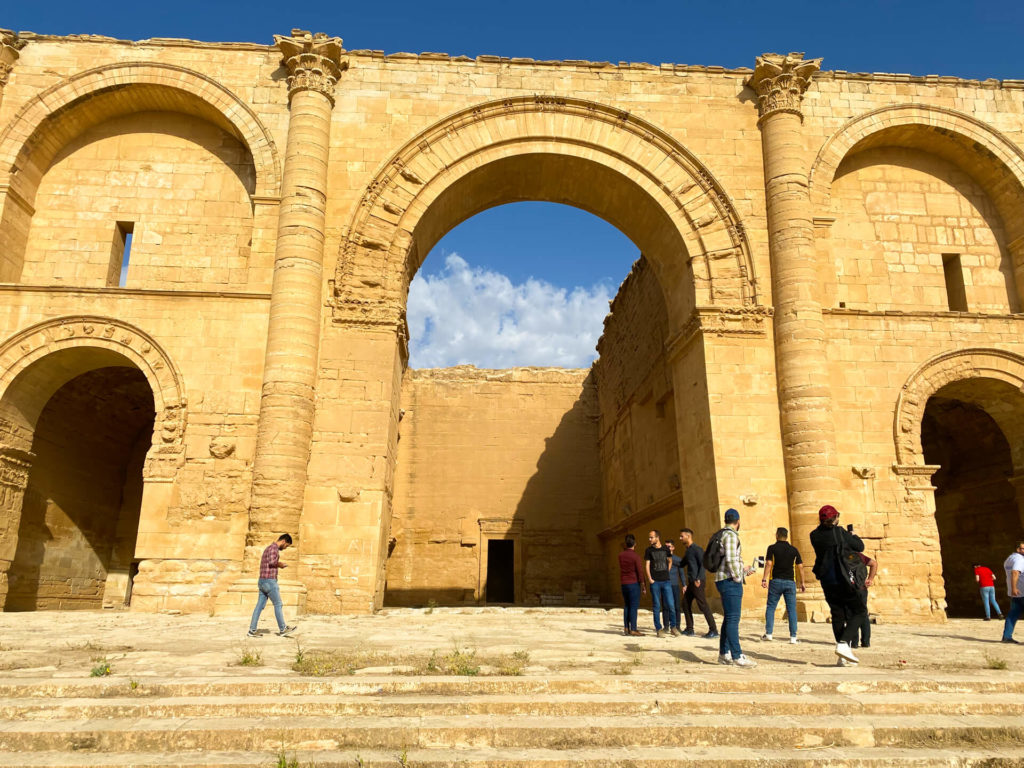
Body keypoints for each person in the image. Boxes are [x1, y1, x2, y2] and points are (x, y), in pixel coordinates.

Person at [810, 505, 866, 665]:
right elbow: (859, 547)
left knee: (838, 614)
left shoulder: (814, 535)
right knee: (860, 611)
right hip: (842, 579)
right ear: (835, 518)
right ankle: (843, 644)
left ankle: (843, 657)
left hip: (827, 581)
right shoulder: (840, 532)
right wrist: (852, 535)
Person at [715, 509, 757, 667]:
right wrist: (739, 577)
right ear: (738, 521)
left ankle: (723, 654)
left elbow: (729, 560)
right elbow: (732, 561)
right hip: (730, 581)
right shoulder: (731, 536)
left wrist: (744, 570)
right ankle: (737, 656)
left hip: (724, 579)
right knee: (733, 619)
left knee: (728, 618)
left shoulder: (722, 534)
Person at [760, 527, 805, 643]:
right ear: (787, 536)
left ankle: (769, 633)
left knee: (771, 607)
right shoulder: (794, 550)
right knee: (791, 610)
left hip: (776, 581)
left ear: (777, 535)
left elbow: (769, 564)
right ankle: (793, 637)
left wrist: (764, 579)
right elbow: (800, 567)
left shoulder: (772, 548)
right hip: (790, 582)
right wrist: (802, 582)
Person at [248, 533, 297, 638]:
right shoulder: (274, 548)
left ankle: (252, 630)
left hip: (262, 581)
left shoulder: (268, 548)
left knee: (259, 606)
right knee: (278, 604)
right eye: (287, 545)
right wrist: (281, 564)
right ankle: (283, 629)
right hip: (269, 581)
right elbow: (272, 562)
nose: (286, 548)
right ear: (283, 541)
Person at [678, 528, 718, 639]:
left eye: (682, 536)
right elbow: (681, 563)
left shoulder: (697, 549)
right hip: (691, 582)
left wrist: (698, 579)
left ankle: (713, 630)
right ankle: (689, 629)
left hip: (697, 581)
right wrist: (668, 557)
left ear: (688, 536)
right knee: (685, 604)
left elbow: (703, 564)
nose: (680, 538)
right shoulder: (688, 550)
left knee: (702, 605)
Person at [644, 530, 679, 637]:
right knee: (656, 605)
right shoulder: (648, 550)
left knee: (671, 604)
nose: (650, 539)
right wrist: (650, 578)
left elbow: (670, 561)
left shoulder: (665, 549)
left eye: (651, 537)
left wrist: (666, 572)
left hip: (666, 581)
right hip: (655, 582)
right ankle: (659, 629)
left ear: (657, 537)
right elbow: (647, 565)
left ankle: (673, 627)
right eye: (649, 538)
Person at [618, 534, 646, 636]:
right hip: (633, 583)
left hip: (624, 583)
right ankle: (633, 629)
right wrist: (643, 585)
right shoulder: (636, 556)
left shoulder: (621, 555)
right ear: (635, 544)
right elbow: (640, 571)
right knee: (633, 606)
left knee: (627, 606)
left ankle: (626, 628)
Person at [851, 552, 878, 650]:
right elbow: (874, 563)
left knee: (852, 614)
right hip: (862, 589)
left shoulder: (841, 555)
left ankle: (854, 643)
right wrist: (870, 579)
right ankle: (866, 642)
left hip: (851, 589)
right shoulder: (859, 555)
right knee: (863, 613)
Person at [1002, 541, 1024, 644]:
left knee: (1013, 614)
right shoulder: (1020, 559)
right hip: (1021, 591)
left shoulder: (1009, 559)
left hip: (1015, 593)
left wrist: (1012, 589)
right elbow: (1015, 572)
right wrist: (1014, 588)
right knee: (1013, 614)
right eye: (1023, 548)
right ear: (1018, 549)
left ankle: (1006, 636)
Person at [664, 540, 685, 635]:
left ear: (673, 548)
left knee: (676, 606)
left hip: (675, 585)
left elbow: (681, 573)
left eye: (669, 546)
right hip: (664, 584)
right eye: (666, 546)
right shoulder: (662, 558)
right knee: (666, 606)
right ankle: (666, 626)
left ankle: (677, 626)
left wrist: (684, 584)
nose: (667, 548)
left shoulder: (677, 559)